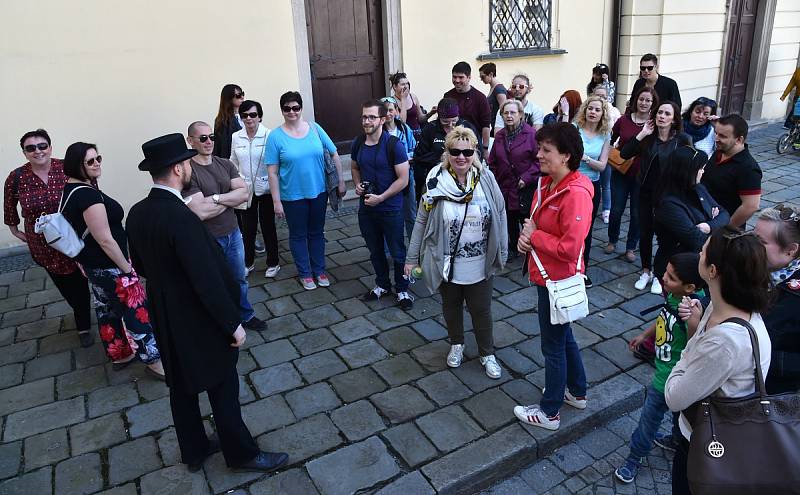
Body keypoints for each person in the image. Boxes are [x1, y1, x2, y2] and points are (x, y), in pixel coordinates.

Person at [126, 133, 288, 474]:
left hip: (164, 312)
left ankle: (195, 449)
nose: (188, 166)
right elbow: (207, 279)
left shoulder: (137, 213)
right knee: (222, 385)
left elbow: (139, 266)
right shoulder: (182, 217)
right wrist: (232, 324)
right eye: (185, 162)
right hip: (197, 315)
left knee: (181, 386)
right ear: (176, 169)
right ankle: (242, 454)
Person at [665, 226, 771, 494]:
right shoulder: (726, 305)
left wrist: (688, 352)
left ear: (712, 271)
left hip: (705, 444)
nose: (699, 253)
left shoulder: (726, 342)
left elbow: (674, 396)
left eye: (703, 252)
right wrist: (696, 326)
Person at [404, 126, 508, 378]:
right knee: (451, 307)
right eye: (455, 151)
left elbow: (501, 214)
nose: (461, 156)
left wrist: (502, 251)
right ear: (447, 152)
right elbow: (421, 220)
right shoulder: (435, 180)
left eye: (467, 151)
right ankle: (457, 344)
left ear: (475, 152)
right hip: (447, 261)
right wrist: (411, 259)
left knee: (481, 310)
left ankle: (487, 353)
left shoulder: (486, 179)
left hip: (480, 261)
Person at [60, 142, 164, 377]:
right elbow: (105, 239)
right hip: (111, 266)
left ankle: (120, 353)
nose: (97, 164)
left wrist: (81, 261)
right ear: (77, 165)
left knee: (107, 308)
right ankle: (154, 361)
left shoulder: (71, 189)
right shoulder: (87, 196)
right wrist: (127, 268)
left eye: (99, 158)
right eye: (90, 161)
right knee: (136, 311)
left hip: (93, 265)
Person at [513, 122, 592, 430]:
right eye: (540, 148)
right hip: (547, 275)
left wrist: (534, 239)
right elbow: (535, 225)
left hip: (557, 279)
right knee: (564, 336)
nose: (539, 154)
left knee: (553, 345)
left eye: (547, 150)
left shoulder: (575, 194)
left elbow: (571, 248)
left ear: (566, 156)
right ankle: (576, 391)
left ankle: (549, 412)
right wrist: (525, 238)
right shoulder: (545, 184)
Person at [614, 253, 707, 484]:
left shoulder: (692, 310)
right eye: (665, 272)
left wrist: (693, 321)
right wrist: (645, 335)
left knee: (649, 420)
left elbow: (694, 345)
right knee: (677, 414)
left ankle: (634, 459)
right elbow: (664, 318)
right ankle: (675, 439)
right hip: (663, 370)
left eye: (671, 277)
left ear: (690, 287)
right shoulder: (676, 297)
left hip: (669, 379)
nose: (663, 278)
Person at [3, 129, 93, 347]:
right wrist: (15, 230)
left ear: (50, 147)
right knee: (65, 285)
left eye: (42, 146)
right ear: (24, 152)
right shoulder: (16, 178)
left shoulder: (67, 168)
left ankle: (84, 324)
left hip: (73, 238)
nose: (38, 151)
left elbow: (90, 192)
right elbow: (9, 206)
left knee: (81, 283)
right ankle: (80, 309)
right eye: (31, 148)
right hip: (43, 245)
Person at [183, 121, 267, 331]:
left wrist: (216, 198)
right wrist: (230, 200)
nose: (209, 141)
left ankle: (245, 316)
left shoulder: (225, 164)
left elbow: (244, 194)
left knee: (239, 279)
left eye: (211, 137)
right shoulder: (188, 172)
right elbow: (200, 212)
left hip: (233, 233)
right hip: (208, 238)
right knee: (215, 284)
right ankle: (224, 322)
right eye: (203, 138)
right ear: (190, 141)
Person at [265, 91, 345, 290]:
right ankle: (305, 273)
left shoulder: (315, 128)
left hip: (318, 192)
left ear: (301, 109)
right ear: (282, 110)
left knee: (317, 233)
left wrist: (341, 181)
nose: (292, 112)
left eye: (296, 108)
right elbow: (273, 172)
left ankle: (319, 270)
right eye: (287, 108)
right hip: (292, 196)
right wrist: (276, 201)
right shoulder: (275, 137)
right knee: (298, 234)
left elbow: (334, 154)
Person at [621, 100, 688, 295]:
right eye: (659, 113)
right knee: (645, 233)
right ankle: (646, 271)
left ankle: (660, 274)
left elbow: (690, 166)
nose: (662, 116)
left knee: (665, 236)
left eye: (667, 114)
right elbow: (625, 153)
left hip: (669, 196)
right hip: (644, 192)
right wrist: (642, 134)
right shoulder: (648, 138)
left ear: (674, 119)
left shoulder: (682, 140)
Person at [351, 100, 413, 309]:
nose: (366, 121)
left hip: (390, 208)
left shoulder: (394, 145)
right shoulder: (358, 143)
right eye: (364, 117)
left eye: (371, 117)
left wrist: (382, 197)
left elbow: (403, 179)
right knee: (375, 249)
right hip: (367, 208)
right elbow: (354, 167)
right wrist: (358, 185)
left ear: (383, 119)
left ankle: (402, 289)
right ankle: (382, 284)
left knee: (397, 251)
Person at [652, 145, 730, 279]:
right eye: (700, 168)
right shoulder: (668, 204)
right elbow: (695, 239)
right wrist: (714, 221)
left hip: (698, 266)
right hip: (678, 272)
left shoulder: (698, 188)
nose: (703, 172)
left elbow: (725, 214)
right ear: (686, 171)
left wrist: (708, 226)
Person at [606, 87, 658, 263]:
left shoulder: (654, 123)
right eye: (641, 99)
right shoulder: (623, 120)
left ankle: (630, 247)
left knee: (637, 213)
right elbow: (611, 140)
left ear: (653, 103)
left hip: (642, 175)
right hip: (621, 172)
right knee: (616, 210)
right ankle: (612, 240)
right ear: (635, 100)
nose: (644, 103)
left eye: (648, 100)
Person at [230, 100, 280, 278]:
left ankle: (273, 262)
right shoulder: (236, 136)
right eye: (245, 115)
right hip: (245, 189)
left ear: (260, 116)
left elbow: (275, 162)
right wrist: (236, 182)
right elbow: (233, 161)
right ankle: (248, 263)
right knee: (247, 228)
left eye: (253, 114)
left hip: (265, 188)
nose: (249, 118)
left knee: (268, 226)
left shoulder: (269, 135)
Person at [753, 204, 800, 394]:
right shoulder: (757, 266)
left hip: (774, 391)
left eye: (760, 241)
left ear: (790, 250)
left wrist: (761, 360)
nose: (750, 245)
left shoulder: (794, 298)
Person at [487, 99, 540, 260]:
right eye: (506, 113)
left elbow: (539, 161)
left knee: (525, 218)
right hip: (505, 186)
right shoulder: (500, 135)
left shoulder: (531, 134)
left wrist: (526, 177)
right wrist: (495, 179)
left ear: (520, 115)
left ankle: (530, 247)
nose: (509, 116)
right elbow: (493, 161)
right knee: (508, 218)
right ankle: (512, 247)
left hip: (525, 187)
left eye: (513, 112)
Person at [574, 95, 611, 287]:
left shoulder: (605, 135)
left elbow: (602, 166)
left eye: (597, 109)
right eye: (590, 108)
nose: (593, 112)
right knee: (569, 227)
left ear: (602, 114)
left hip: (591, 186)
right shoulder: (575, 129)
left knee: (586, 230)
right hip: (572, 183)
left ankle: (582, 270)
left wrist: (585, 158)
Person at [700, 113, 762, 228]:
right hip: (704, 221)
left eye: (722, 136)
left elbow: (751, 206)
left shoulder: (748, 168)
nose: (716, 139)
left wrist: (725, 229)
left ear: (739, 139)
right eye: (716, 133)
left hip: (720, 232)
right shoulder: (720, 151)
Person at [413, 98, 479, 202]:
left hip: (464, 179)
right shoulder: (430, 129)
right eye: (445, 122)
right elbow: (419, 157)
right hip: (437, 180)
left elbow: (476, 154)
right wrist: (441, 156)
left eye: (454, 121)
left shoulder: (467, 127)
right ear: (439, 117)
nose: (450, 125)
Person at [381, 96, 418, 239]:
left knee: (411, 214)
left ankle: (415, 249)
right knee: (390, 216)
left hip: (408, 177)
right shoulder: (379, 132)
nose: (388, 113)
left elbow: (414, 148)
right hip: (388, 179)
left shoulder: (404, 128)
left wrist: (408, 158)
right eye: (384, 110)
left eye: (391, 110)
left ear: (397, 111)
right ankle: (392, 252)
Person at [444, 61, 492, 152]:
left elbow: (486, 126)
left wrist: (485, 149)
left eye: (461, 77)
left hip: (474, 145)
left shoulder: (480, 98)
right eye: (454, 77)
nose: (457, 80)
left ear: (469, 77)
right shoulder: (448, 96)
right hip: (452, 145)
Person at [592, 85, 620, 224]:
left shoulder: (613, 111)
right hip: (592, 152)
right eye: (598, 95)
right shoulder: (589, 109)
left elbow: (617, 131)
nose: (600, 98)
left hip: (607, 149)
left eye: (603, 96)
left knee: (606, 182)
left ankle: (607, 209)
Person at [213, 84, 245, 159]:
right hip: (231, 161)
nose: (242, 97)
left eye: (242, 94)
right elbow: (222, 147)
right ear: (229, 98)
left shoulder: (247, 116)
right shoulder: (222, 120)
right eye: (238, 95)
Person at [389, 72, 423, 137]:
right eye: (402, 84)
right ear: (395, 87)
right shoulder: (392, 102)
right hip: (404, 135)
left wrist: (431, 113)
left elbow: (420, 118)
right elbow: (402, 122)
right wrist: (403, 99)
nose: (406, 86)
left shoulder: (413, 97)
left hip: (417, 133)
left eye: (407, 83)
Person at [478, 62, 508, 135]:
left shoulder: (499, 89)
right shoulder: (493, 88)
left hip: (500, 128)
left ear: (491, 74)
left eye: (483, 77)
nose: (481, 80)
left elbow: (505, 110)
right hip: (495, 126)